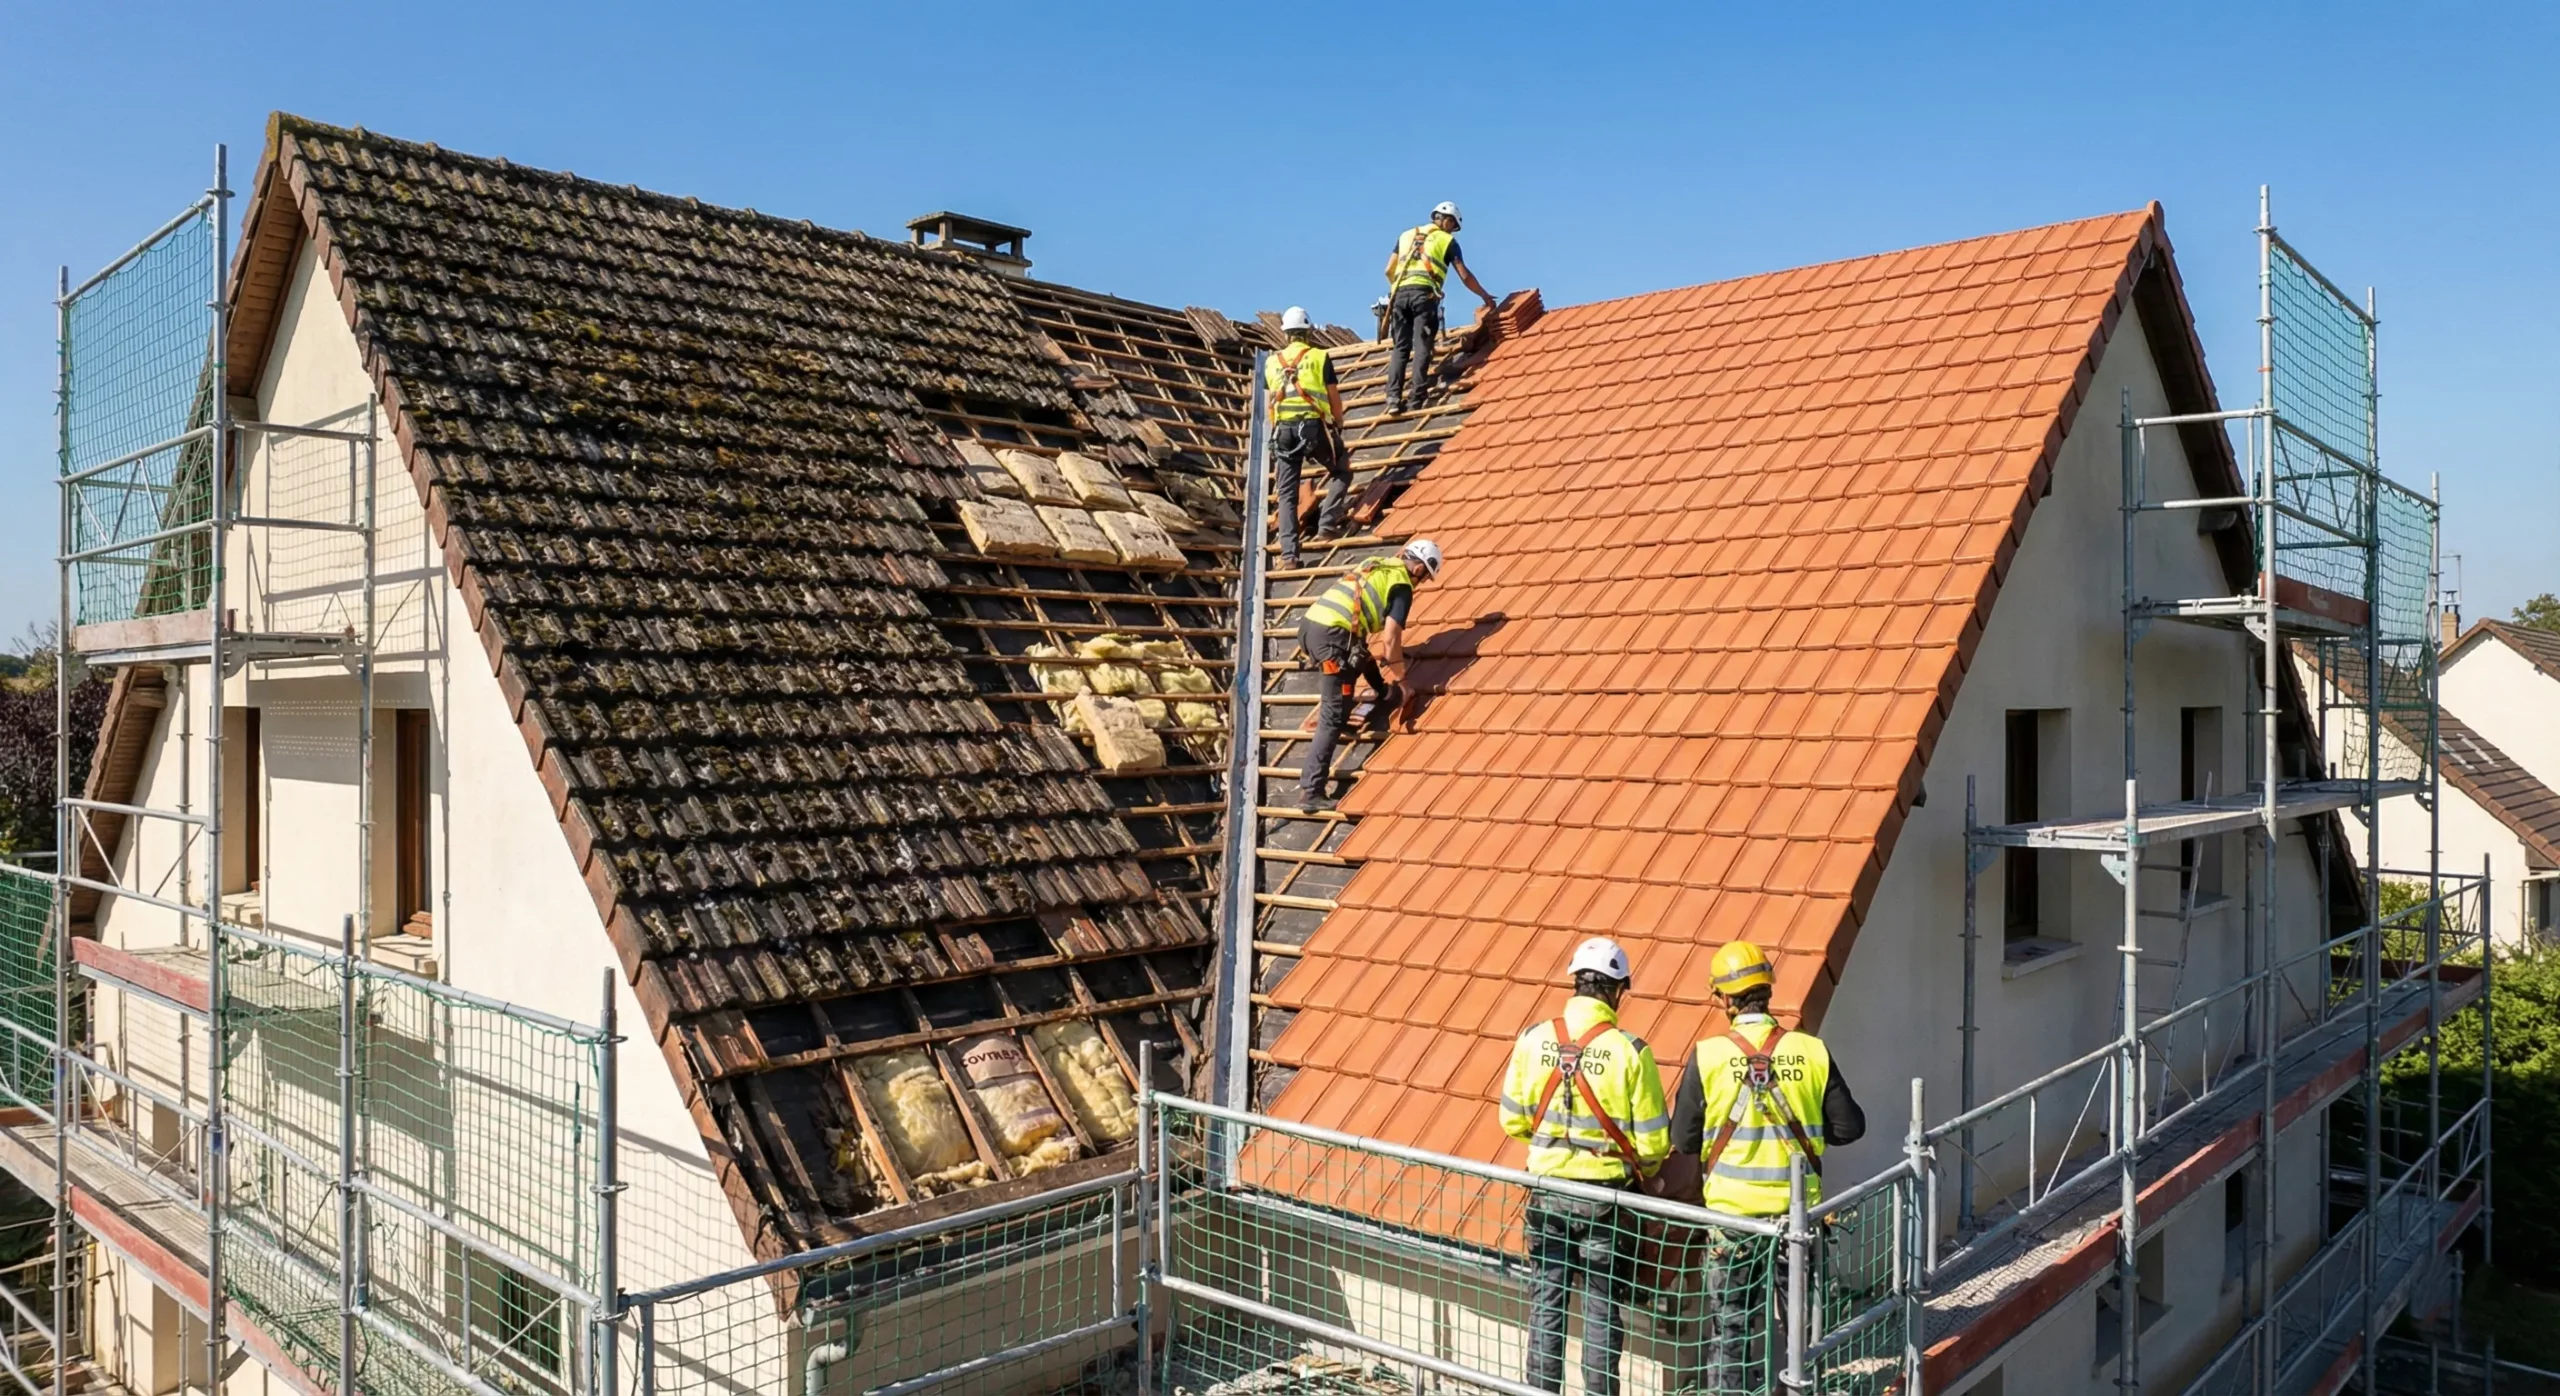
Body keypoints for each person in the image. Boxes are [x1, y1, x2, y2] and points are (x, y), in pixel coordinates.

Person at [1668, 940, 1866, 1394]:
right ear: (1768, 992)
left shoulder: (1708, 1055)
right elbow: (1850, 1127)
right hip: (1796, 1220)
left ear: (1725, 999)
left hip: (1731, 1223)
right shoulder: (1810, 1050)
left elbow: (1683, 1140)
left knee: (1731, 1328)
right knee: (1800, 1330)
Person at [1498, 937, 1671, 1396]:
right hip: (1605, 1202)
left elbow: (1512, 1119)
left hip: (1548, 1195)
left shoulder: (1534, 1039)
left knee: (1547, 1303)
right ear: (1617, 991)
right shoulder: (1631, 1051)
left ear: (1576, 982)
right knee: (1600, 1307)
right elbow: (1655, 1142)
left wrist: (1554, 1145)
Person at [1292, 538, 1441, 811]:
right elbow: (1391, 637)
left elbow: (1361, 646)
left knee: (1355, 657)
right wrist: (1403, 681)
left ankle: (1381, 692)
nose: (1422, 584)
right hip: (1332, 636)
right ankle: (1310, 791)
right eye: (1425, 577)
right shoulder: (1402, 586)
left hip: (1312, 626)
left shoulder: (1377, 565)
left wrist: (1384, 689)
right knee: (1332, 715)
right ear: (1419, 568)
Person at [1381, 201, 1498, 416]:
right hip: (1423, 297)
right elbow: (1464, 275)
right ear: (1448, 220)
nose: (1453, 230)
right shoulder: (1447, 241)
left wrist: (1398, 287)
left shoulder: (1406, 235)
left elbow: (1389, 269)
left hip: (1398, 296)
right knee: (1423, 345)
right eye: (1453, 226)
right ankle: (1416, 398)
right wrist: (1484, 295)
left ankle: (1393, 398)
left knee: (1400, 348)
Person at [1265, 306, 1347, 569]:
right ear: (1308, 332)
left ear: (1287, 334)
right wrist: (1338, 423)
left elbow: (1271, 401)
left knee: (1287, 494)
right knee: (1341, 470)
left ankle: (1289, 556)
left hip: (1283, 431)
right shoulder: (1319, 357)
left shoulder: (1271, 361)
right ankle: (1327, 524)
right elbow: (1333, 397)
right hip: (1313, 426)